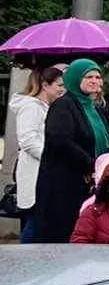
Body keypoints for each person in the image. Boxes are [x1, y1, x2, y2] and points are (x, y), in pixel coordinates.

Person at [32, 60, 109, 244]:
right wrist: (91, 165)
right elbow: (61, 142)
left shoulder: (96, 109)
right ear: (75, 79)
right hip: (65, 183)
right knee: (63, 233)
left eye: (98, 77)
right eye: (89, 77)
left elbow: (107, 140)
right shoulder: (63, 105)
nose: (95, 81)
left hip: (92, 182)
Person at [9, 66, 64, 242]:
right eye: (59, 85)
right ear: (45, 85)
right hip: (34, 174)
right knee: (34, 223)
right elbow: (27, 140)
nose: (62, 89)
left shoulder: (46, 107)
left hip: (45, 173)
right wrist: (50, 157)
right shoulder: (31, 107)